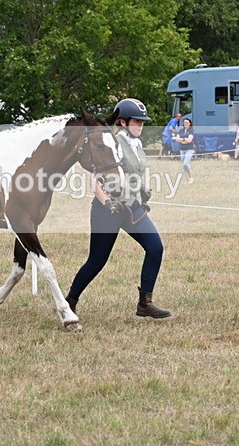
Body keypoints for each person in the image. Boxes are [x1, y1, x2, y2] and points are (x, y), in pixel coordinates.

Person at [65, 98, 170, 319]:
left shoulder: (137, 144)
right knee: (97, 261)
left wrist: (142, 188)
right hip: (107, 210)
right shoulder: (113, 142)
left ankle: (145, 302)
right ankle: (69, 302)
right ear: (122, 122)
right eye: (137, 121)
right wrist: (106, 202)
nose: (141, 125)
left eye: (143, 122)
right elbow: (97, 180)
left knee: (155, 248)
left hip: (131, 207)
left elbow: (130, 174)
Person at [176, 117, 195, 183]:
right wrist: (184, 139)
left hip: (189, 149)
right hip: (182, 149)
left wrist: (182, 139)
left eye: (187, 122)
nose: (185, 124)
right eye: (184, 123)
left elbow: (189, 140)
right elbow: (177, 139)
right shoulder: (181, 130)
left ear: (190, 123)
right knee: (183, 166)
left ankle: (191, 177)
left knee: (185, 163)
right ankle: (186, 180)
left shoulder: (191, 130)